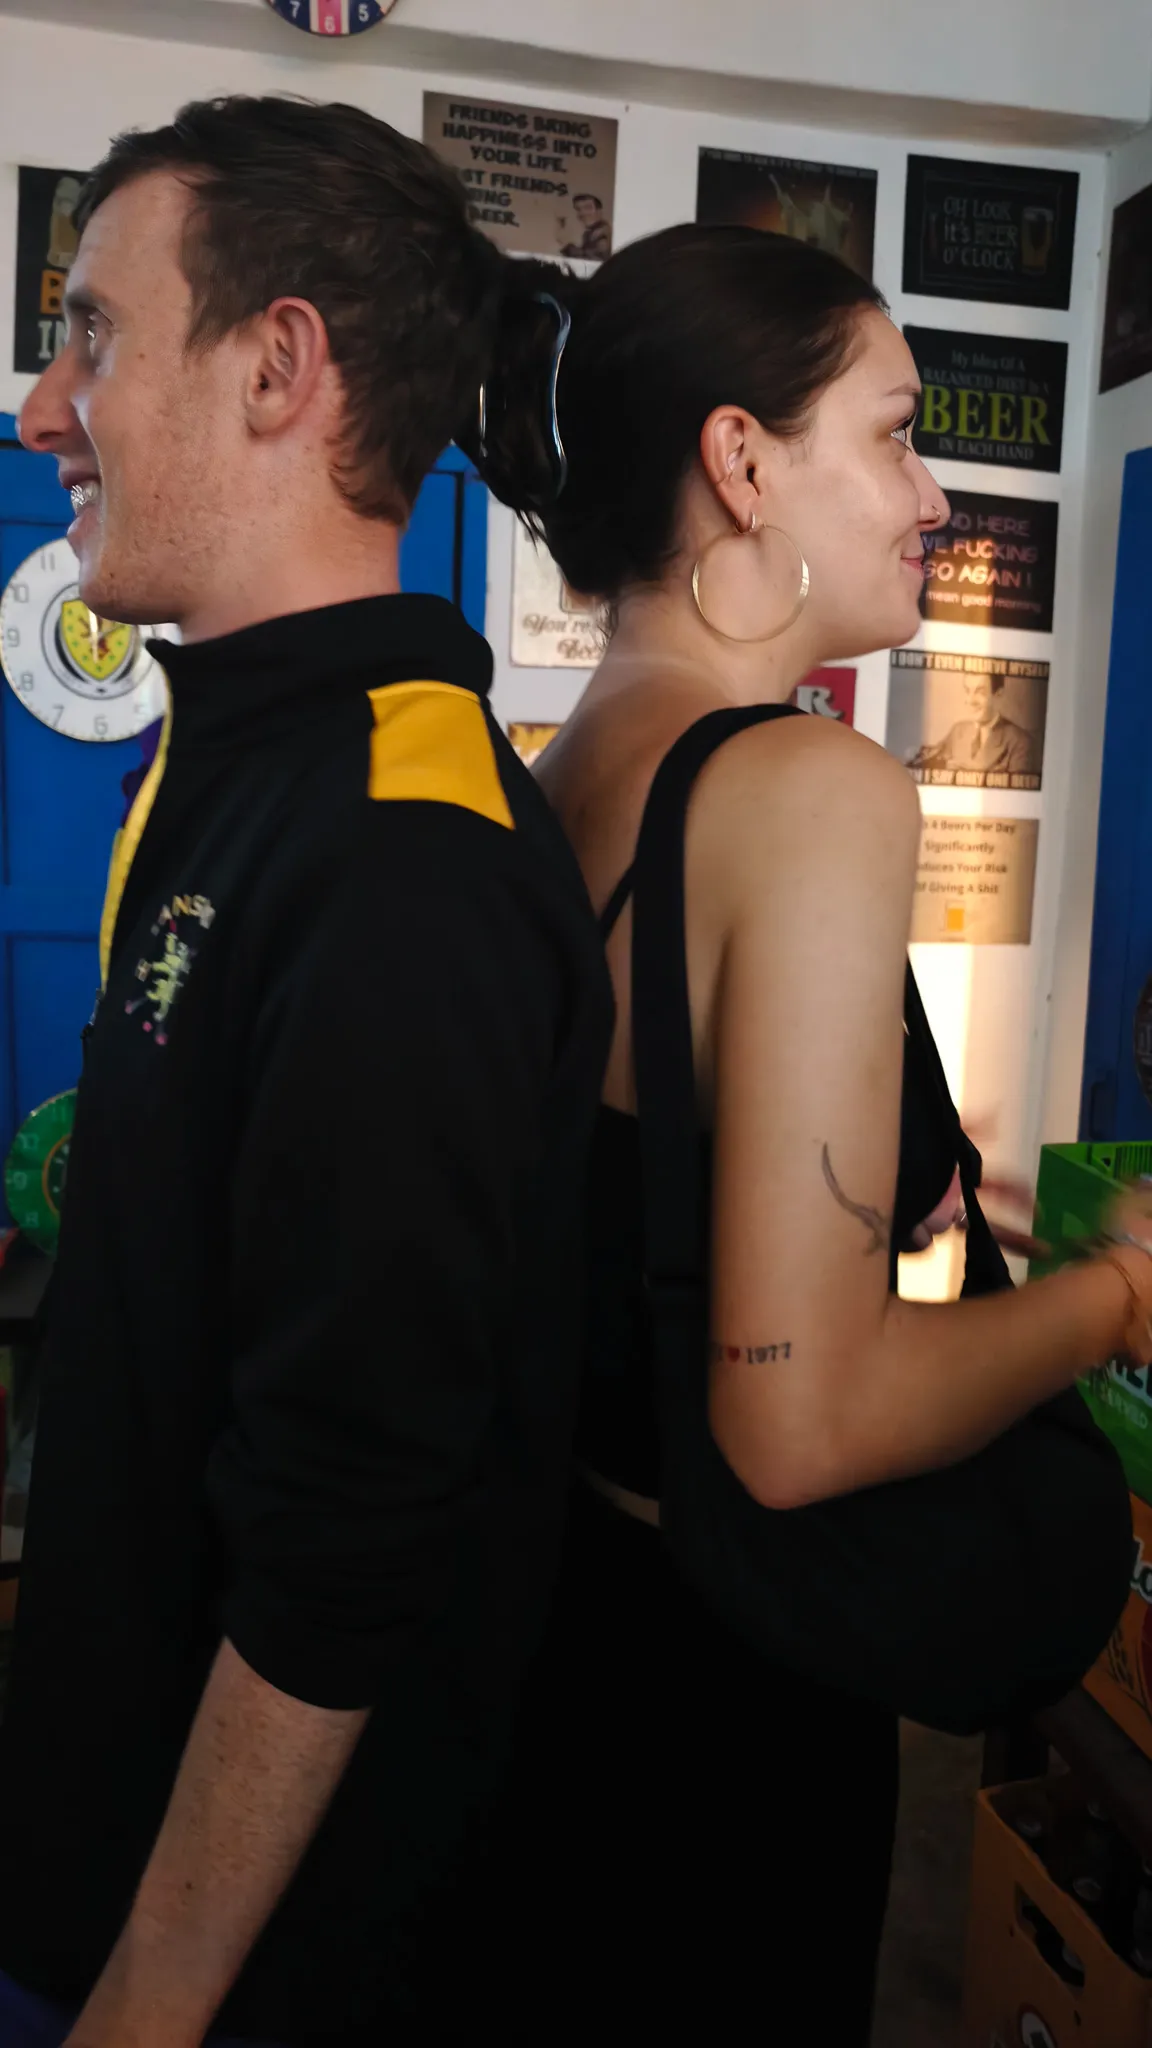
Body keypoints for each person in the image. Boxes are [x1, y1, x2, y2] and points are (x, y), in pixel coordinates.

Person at [461, 224, 1152, 2039]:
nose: (933, 493)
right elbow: (795, 1416)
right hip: (724, 1701)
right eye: (896, 432)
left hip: (546, 1639)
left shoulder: (558, 768)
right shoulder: (805, 788)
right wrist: (1110, 1293)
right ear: (742, 461)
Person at [0, 97, 612, 2047]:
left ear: (276, 366)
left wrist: (154, 2000)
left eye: (92, 329)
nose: (40, 404)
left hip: (249, 1962)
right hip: (94, 1810)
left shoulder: (404, 845)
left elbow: (352, 1525)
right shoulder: (229, 749)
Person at [911, 668, 1040, 776]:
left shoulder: (1021, 742)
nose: (970, 700)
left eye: (980, 692)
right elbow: (928, 761)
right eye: (968, 691)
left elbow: (1016, 797)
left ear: (998, 694)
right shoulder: (958, 731)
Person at [559, 192, 611, 261]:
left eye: (588, 208)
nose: (582, 213)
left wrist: (568, 247)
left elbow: (598, 260)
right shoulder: (588, 233)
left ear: (599, 211)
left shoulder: (603, 231)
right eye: (578, 209)